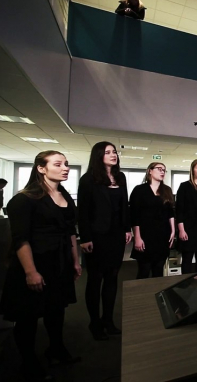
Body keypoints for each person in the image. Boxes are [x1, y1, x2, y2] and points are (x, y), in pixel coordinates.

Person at [0, 151, 82, 381]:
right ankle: (28, 364)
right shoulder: (24, 199)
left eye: (66, 164)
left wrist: (75, 261)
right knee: (27, 317)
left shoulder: (65, 195)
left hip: (59, 263)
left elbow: (70, 233)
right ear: (41, 168)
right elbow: (21, 239)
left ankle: (56, 350)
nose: (65, 167)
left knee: (56, 311)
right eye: (58, 164)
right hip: (35, 264)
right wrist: (30, 272)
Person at [78, 141, 132, 341]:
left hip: (116, 235)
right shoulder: (88, 179)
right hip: (96, 235)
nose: (113, 154)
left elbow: (124, 205)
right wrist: (85, 238)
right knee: (95, 279)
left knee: (112, 277)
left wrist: (127, 228)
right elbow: (82, 212)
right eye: (108, 152)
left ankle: (108, 320)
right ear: (98, 155)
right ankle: (95, 322)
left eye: (114, 151)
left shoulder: (121, 177)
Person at [129, 163, 175, 279]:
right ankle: (141, 297)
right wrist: (137, 237)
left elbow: (170, 213)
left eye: (164, 170)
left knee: (158, 271)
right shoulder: (139, 190)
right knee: (144, 271)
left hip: (163, 235)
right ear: (150, 171)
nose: (162, 172)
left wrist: (173, 232)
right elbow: (135, 215)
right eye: (159, 169)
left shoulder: (167, 190)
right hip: (146, 235)